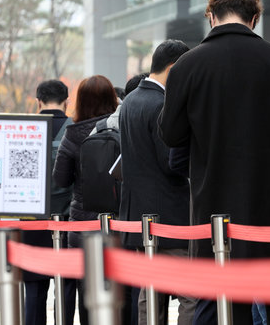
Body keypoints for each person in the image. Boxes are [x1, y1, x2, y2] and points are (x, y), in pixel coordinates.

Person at [158, 0, 270, 325]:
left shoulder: (187, 66)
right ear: (254, 19)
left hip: (214, 207)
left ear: (211, 17)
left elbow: (170, 133)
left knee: (219, 302)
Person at [119, 40, 197, 325]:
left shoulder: (131, 101)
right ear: (175, 68)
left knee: (150, 291)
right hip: (169, 215)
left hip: (139, 214)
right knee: (191, 292)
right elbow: (172, 163)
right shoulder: (162, 104)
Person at [52, 75, 118, 325]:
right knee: (117, 287)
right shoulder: (120, 126)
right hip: (118, 222)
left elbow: (60, 179)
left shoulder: (72, 134)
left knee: (85, 290)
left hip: (81, 224)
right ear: (112, 99)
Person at [87, 72, 148, 325]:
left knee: (110, 284)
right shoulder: (141, 120)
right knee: (138, 285)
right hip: (137, 215)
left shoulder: (99, 128)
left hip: (102, 218)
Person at [22, 80, 75, 325]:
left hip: (32, 219)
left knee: (33, 287)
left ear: (38, 101)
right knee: (65, 285)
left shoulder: (24, 129)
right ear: (66, 100)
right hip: (67, 220)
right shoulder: (75, 128)